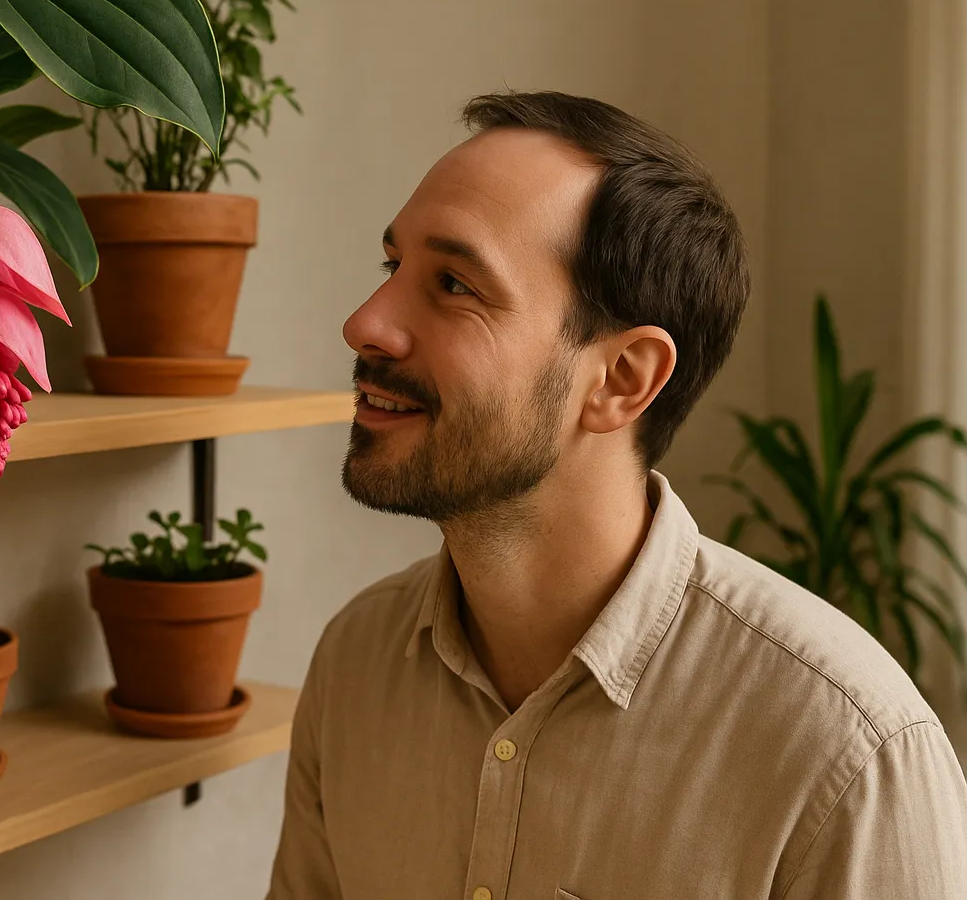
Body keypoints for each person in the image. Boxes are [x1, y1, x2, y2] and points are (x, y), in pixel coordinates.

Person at [267, 91, 967, 899]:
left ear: (622, 380)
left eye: (455, 284)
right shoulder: (355, 664)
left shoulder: (849, 753)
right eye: (395, 267)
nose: (366, 322)